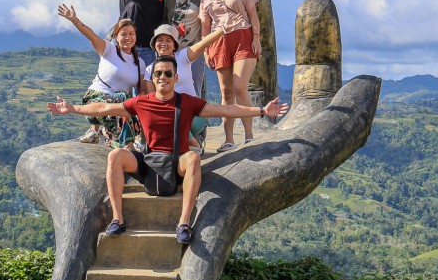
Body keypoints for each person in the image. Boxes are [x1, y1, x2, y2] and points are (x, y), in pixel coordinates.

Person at [46, 55, 289, 243]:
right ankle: (118, 219)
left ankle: (184, 222)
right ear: (154, 77)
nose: (163, 77)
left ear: (175, 78)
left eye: (168, 73)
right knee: (115, 156)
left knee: (193, 157)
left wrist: (261, 112)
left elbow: (226, 109)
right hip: (148, 160)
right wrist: (73, 109)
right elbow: (102, 109)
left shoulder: (188, 102)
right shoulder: (141, 102)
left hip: (176, 162)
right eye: (159, 73)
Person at [164, 0, 271, 97]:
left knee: (194, 92)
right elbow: (164, 24)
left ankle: (195, 119)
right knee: (169, 90)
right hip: (174, 52)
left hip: (194, 50)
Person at [58, 4, 147, 148]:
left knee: (132, 104)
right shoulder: (108, 50)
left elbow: (142, 90)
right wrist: (75, 20)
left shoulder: (140, 63)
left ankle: (114, 140)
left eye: (131, 33)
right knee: (124, 99)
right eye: (123, 34)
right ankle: (126, 143)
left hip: (115, 110)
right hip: (94, 103)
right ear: (116, 37)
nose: (128, 37)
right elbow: (91, 35)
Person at [200, 0, 263, 153]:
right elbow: (205, 27)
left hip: (243, 37)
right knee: (226, 93)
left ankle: (249, 136)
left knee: (240, 87)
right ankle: (228, 140)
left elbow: (253, 15)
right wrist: (206, 50)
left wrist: (256, 37)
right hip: (218, 42)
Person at [143, 23, 227, 154]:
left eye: (168, 40)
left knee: (172, 116)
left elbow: (204, 43)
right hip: (170, 115)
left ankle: (194, 143)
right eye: (160, 40)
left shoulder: (183, 57)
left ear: (175, 44)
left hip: (194, 116)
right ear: (154, 44)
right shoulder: (150, 69)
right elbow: (151, 99)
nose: (164, 43)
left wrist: (223, 29)